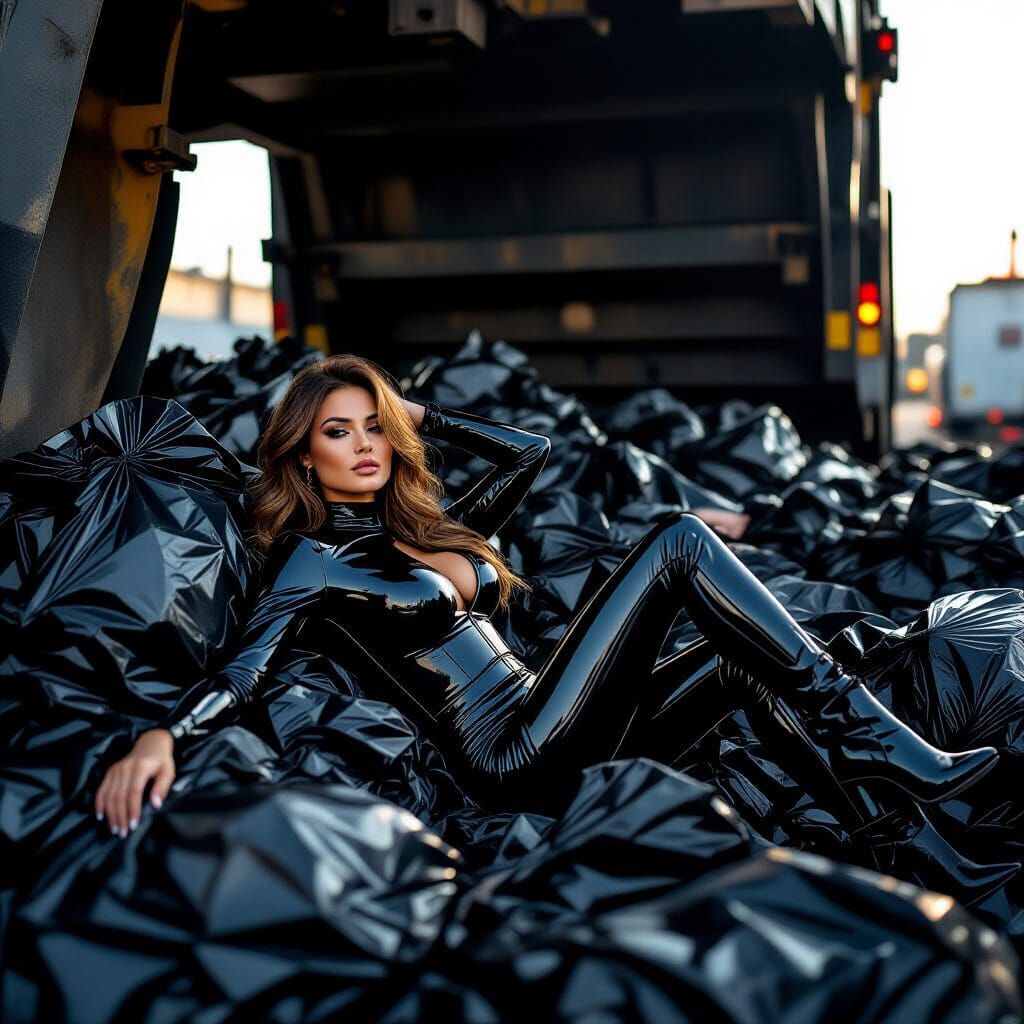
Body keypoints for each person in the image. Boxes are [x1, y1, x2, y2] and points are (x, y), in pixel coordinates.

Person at [93, 355, 1009, 899]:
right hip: (513, 755)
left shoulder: (423, 531)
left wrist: (425, 414)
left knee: (737, 669)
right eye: (340, 430)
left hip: (556, 712)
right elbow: (245, 668)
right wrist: (163, 734)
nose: (367, 444)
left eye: (376, 426)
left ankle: (913, 842)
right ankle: (876, 739)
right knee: (680, 542)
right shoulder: (312, 561)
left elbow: (531, 452)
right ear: (300, 449)